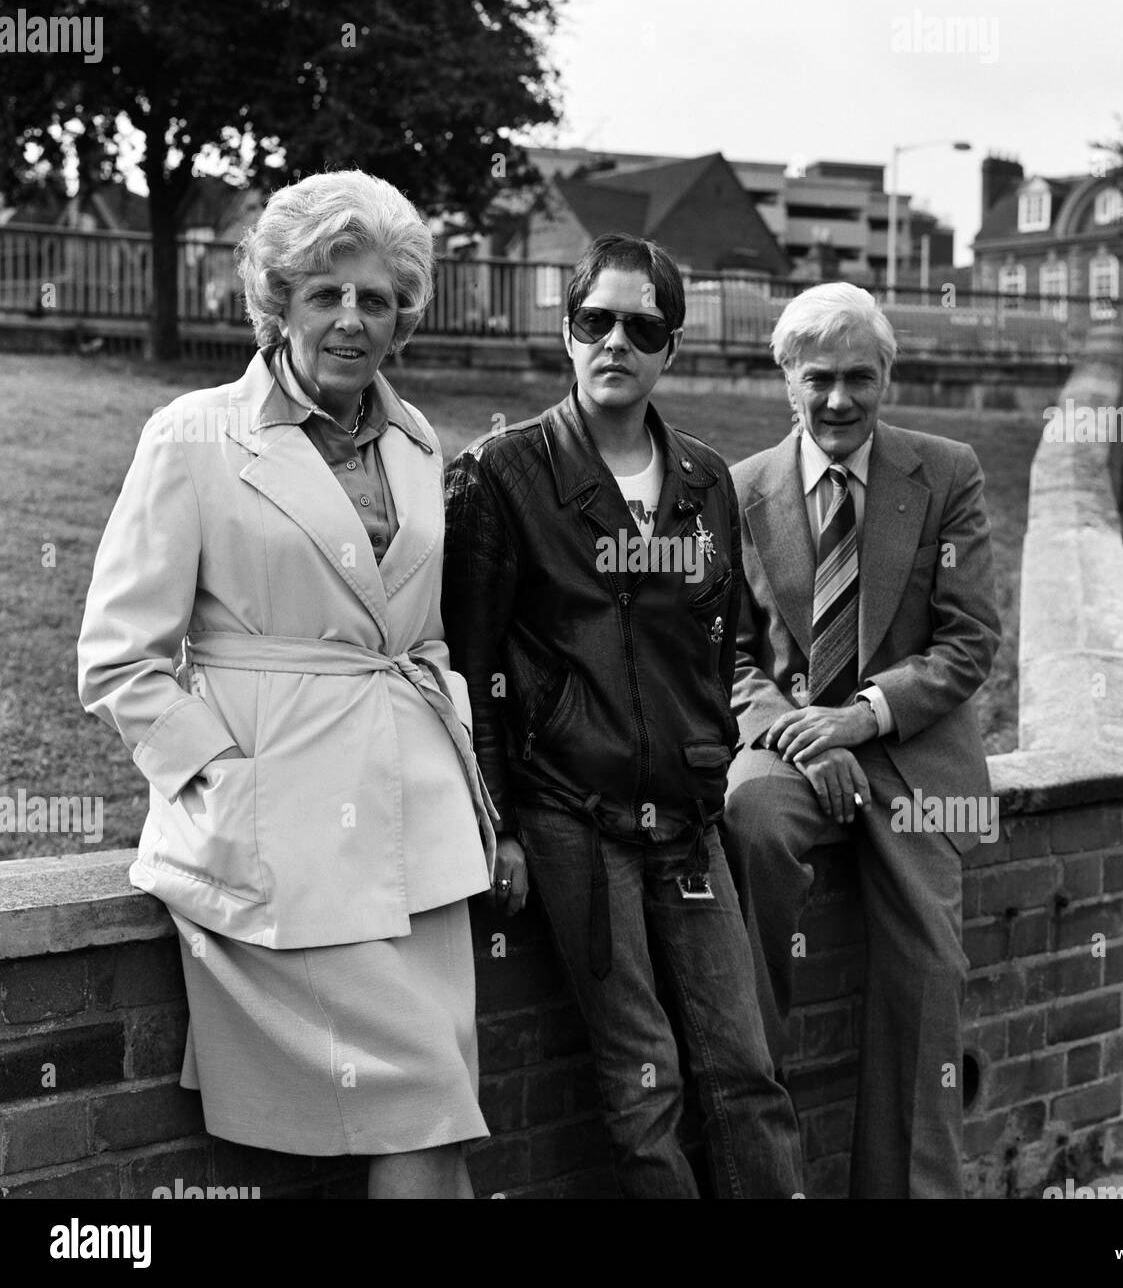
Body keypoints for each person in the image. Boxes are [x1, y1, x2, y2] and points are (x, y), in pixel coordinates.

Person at [77, 169, 497, 1199]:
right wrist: (221, 779)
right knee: (421, 1103)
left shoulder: (415, 438)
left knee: (438, 1114)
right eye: (326, 293)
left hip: (422, 837)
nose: (354, 319)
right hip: (287, 837)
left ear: (404, 314)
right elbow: (119, 656)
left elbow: (424, 633)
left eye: (378, 298)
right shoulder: (191, 437)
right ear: (278, 301)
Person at [442, 233, 802, 1198]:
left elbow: (724, 643)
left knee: (747, 1069)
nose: (617, 342)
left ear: (671, 349)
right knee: (647, 1080)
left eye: (643, 326)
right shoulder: (503, 477)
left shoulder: (705, 482)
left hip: (687, 818)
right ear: (567, 333)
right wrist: (502, 826)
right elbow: (467, 673)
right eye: (596, 321)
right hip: (574, 820)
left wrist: (714, 751)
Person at [722, 282, 1000, 1198]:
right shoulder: (737, 491)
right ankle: (754, 1128)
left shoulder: (946, 471)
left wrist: (865, 714)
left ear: (888, 377)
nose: (839, 401)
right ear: (786, 383)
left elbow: (969, 640)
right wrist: (809, 739)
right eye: (819, 380)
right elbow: (721, 660)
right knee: (749, 811)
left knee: (930, 973)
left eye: (859, 379)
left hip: (914, 753)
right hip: (795, 747)